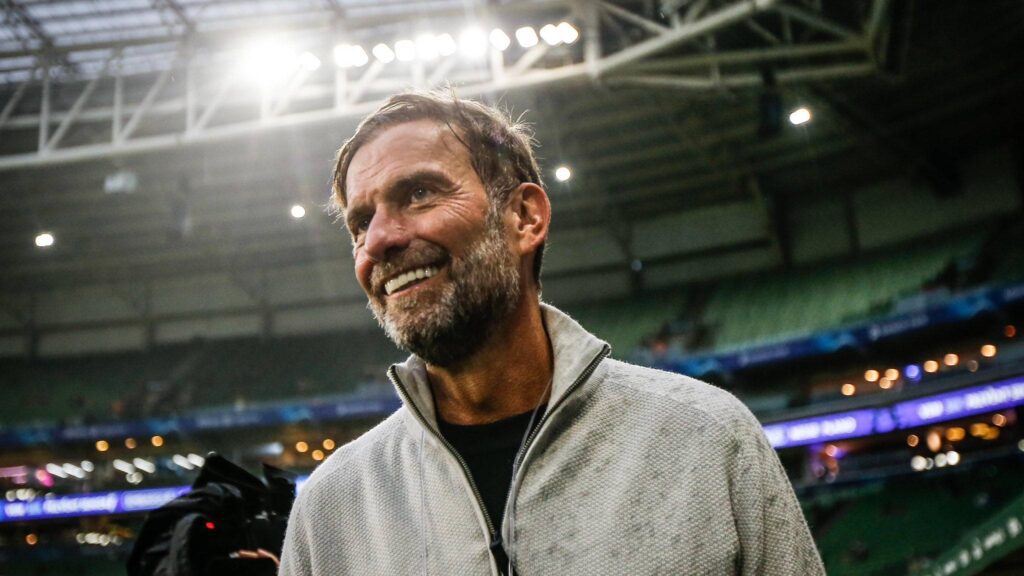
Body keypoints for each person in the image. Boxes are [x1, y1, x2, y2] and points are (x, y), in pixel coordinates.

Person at [279, 91, 825, 575]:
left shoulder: (705, 436)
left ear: (525, 217)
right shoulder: (330, 509)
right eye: (359, 224)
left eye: (419, 193)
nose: (378, 241)